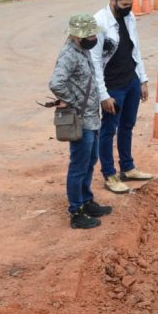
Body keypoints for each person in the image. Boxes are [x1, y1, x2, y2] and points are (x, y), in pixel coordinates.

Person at [49, 14, 113, 229]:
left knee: (90, 161)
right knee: (79, 166)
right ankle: (76, 211)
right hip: (81, 119)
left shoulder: (82, 50)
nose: (94, 37)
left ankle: (86, 201)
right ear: (77, 35)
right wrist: (72, 102)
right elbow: (56, 83)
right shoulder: (69, 55)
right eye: (90, 34)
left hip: (92, 118)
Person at [90, 0, 153, 194]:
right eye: (125, 4)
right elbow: (95, 62)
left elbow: (135, 48)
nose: (128, 8)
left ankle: (127, 167)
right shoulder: (99, 22)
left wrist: (142, 79)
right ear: (113, 0)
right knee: (109, 130)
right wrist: (103, 95)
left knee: (128, 126)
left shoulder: (129, 17)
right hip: (112, 87)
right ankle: (109, 174)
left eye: (130, 4)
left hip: (131, 81)